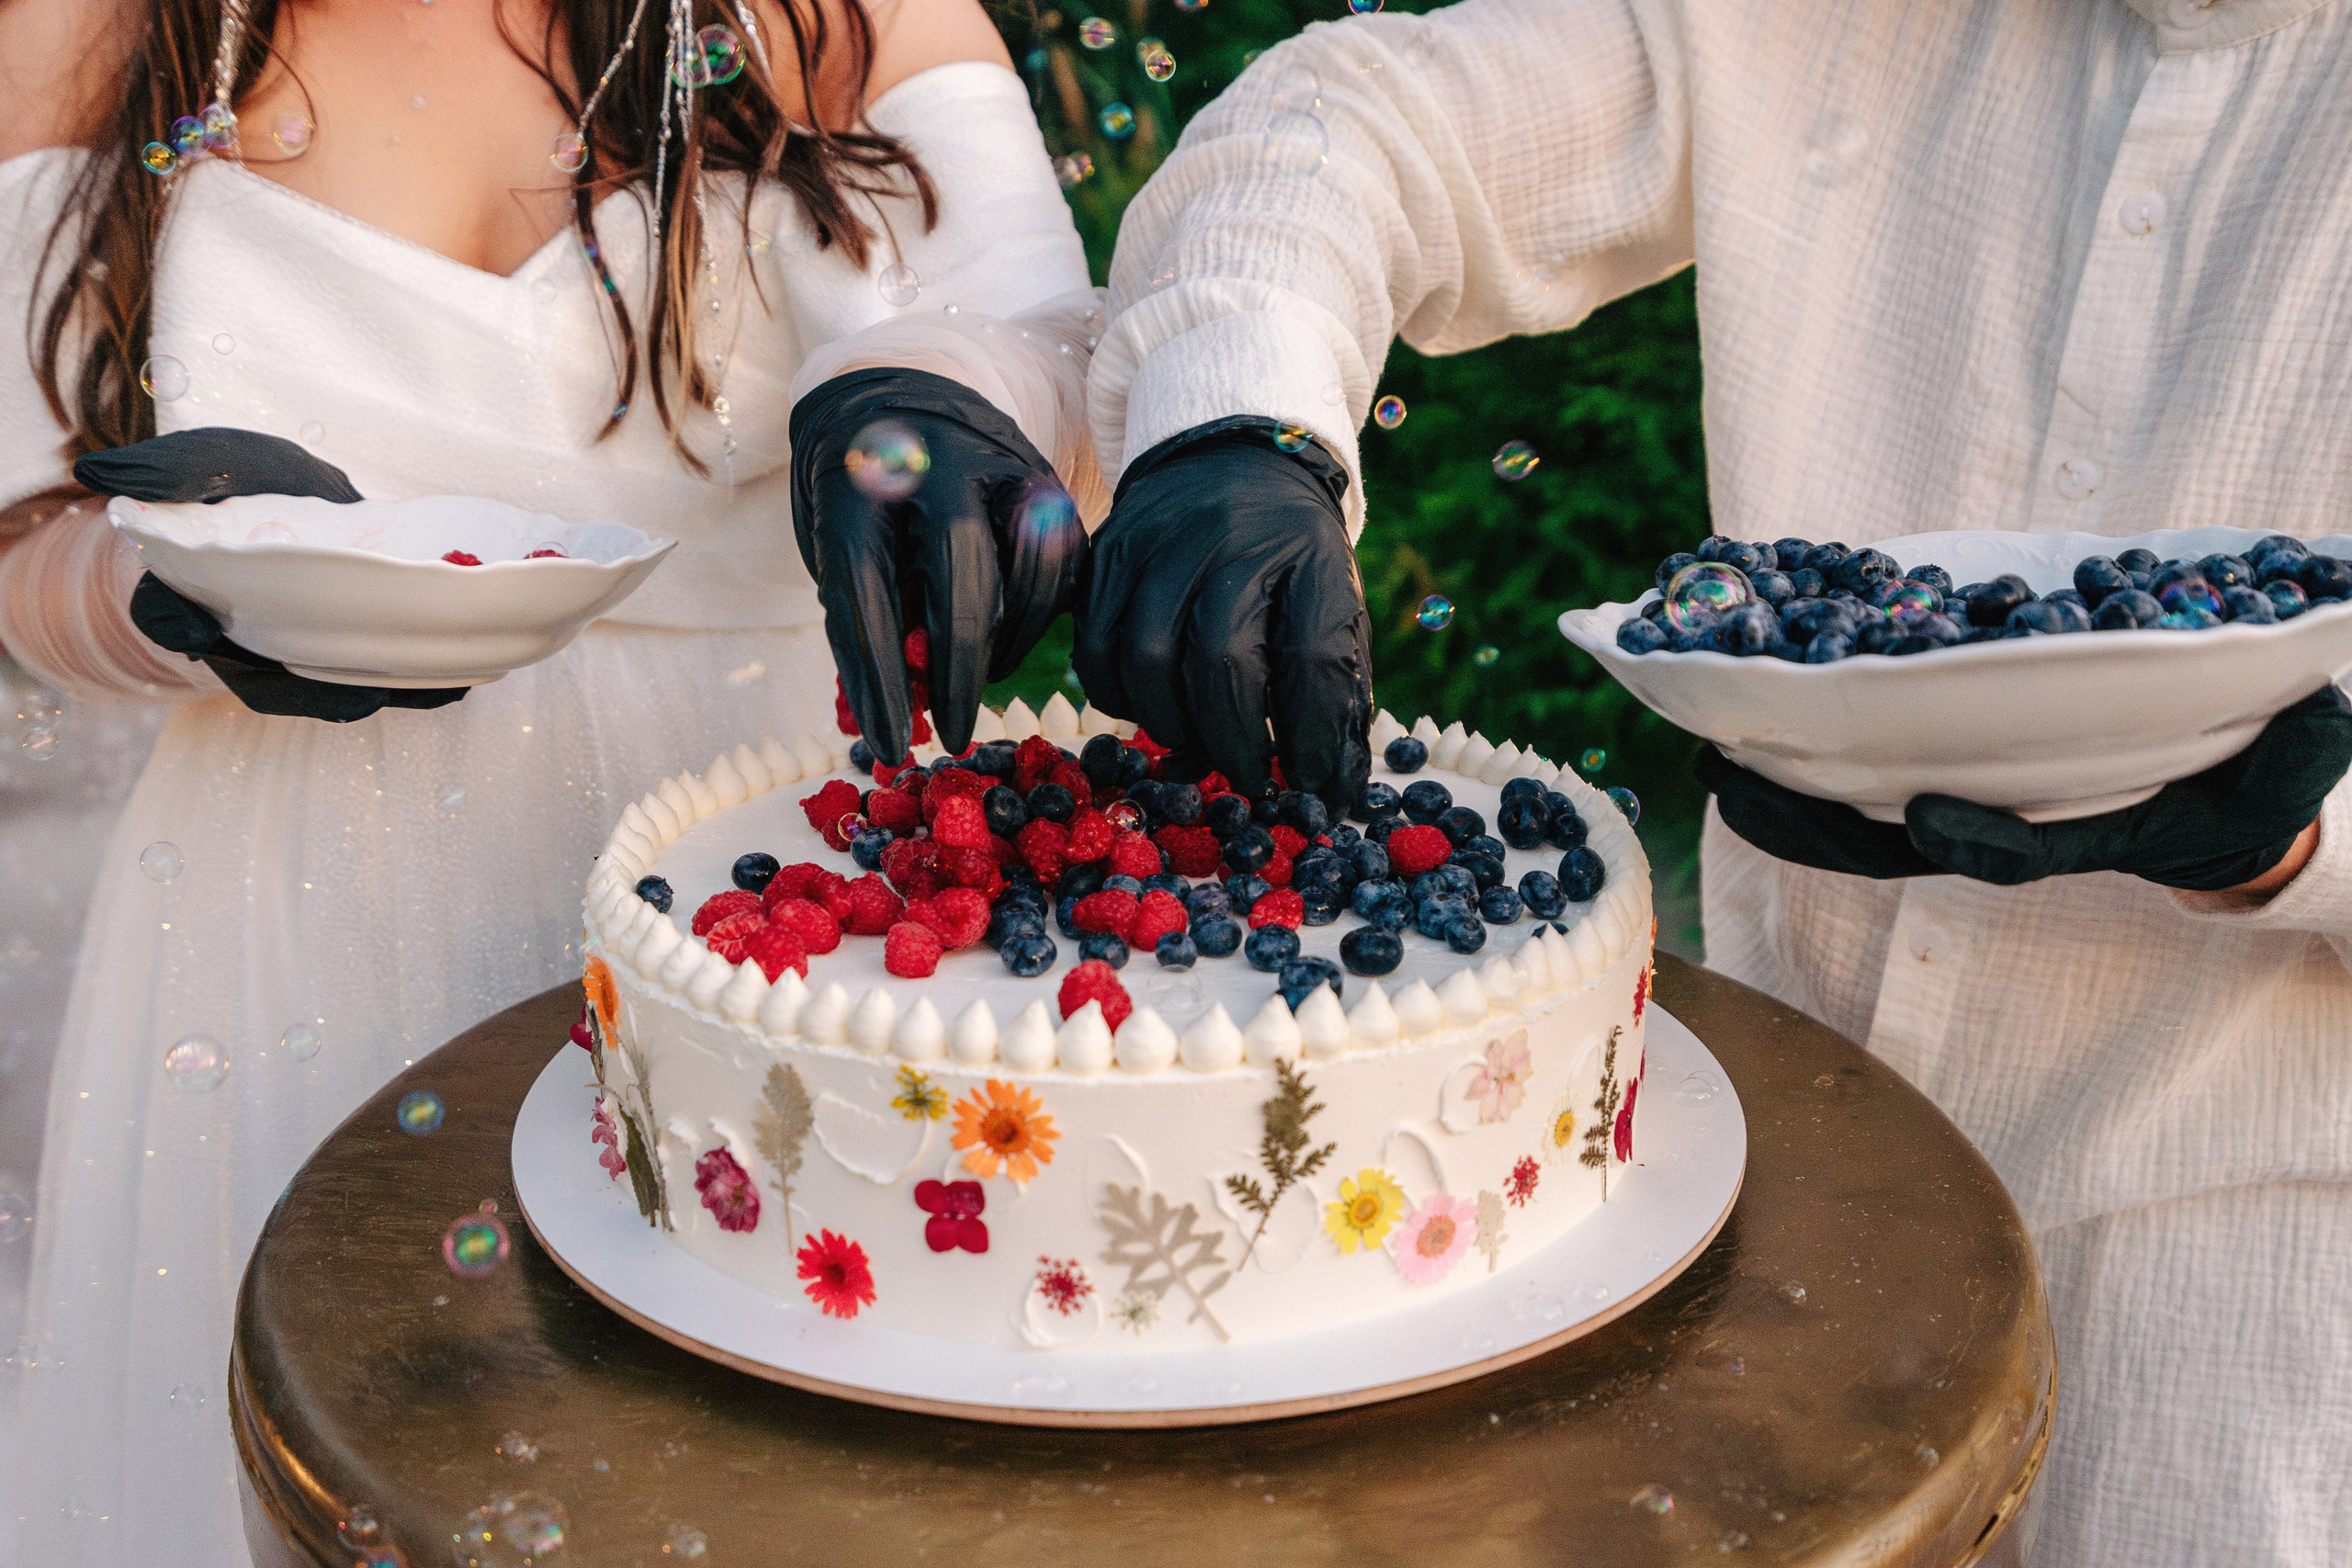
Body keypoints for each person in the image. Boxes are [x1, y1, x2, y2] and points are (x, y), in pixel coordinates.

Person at [1072, 2, 2352, 1562]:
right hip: (1775, 1215)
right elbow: (1352, 119)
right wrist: (1239, 420)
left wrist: (2294, 840)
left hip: (2247, 1299)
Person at [0, 0, 1097, 1556]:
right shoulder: (91, 26)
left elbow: (1075, 367)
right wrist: (158, 602)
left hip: (768, 896)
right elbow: (27, 534)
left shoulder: (826, 20)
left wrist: (937, 394)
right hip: (291, 906)